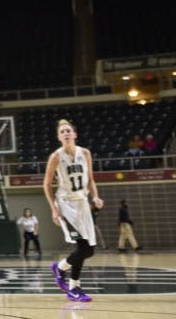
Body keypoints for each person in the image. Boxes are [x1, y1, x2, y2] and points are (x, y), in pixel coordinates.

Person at [44, 119, 103, 303]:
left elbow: (91, 179)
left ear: (75, 134)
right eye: (62, 131)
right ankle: (74, 287)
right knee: (83, 247)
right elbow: (46, 184)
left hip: (82, 203)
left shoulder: (85, 153)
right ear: (59, 137)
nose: (66, 133)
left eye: (69, 130)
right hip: (65, 203)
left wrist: (95, 196)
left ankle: (60, 267)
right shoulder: (56, 156)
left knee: (89, 250)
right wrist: (54, 209)